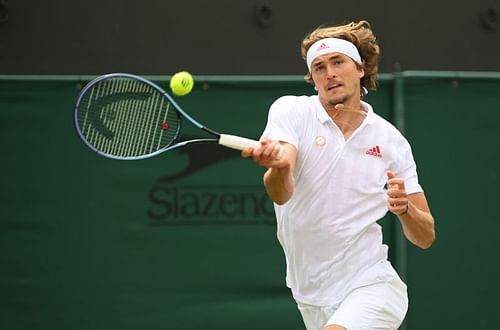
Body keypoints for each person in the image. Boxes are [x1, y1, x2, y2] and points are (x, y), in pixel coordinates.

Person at [242, 20, 436, 330]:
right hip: (310, 293)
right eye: (319, 67)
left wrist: (405, 209)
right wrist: (278, 168)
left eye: (337, 62)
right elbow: (281, 192)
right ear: (313, 79)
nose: (329, 73)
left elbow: (425, 236)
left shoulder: (391, 141)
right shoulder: (291, 112)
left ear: (360, 69)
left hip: (371, 283)